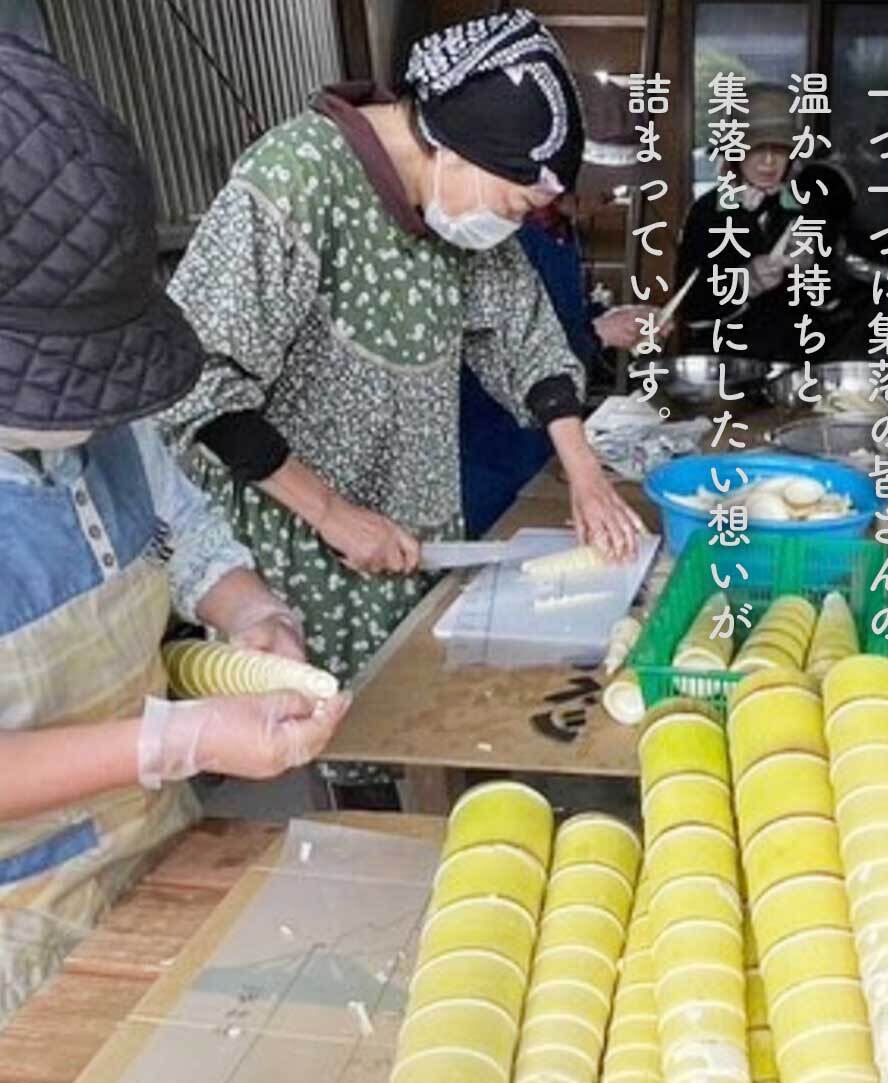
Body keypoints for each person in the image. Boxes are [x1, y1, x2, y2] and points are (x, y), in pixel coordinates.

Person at [155, 11, 644, 807]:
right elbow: (199, 376)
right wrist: (333, 512)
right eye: (517, 205)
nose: (511, 225)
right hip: (302, 549)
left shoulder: (452, 211)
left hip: (414, 531)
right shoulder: (298, 178)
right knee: (329, 745)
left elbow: (526, 338)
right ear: (453, 146)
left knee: (418, 725)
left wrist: (585, 473)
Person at [0, 38, 346, 1017]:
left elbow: (175, 525)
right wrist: (179, 736)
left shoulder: (94, 409)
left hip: (160, 865)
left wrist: (251, 616)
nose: (88, 412)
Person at [459, 76, 661, 535]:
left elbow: (560, 317)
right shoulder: (502, 236)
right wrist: (596, 337)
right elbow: (509, 347)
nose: (610, 197)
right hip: (488, 444)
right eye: (602, 186)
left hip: (546, 438)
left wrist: (603, 320)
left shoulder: (561, 230)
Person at [675, 81, 860, 363]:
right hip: (728, 369)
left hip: (799, 366)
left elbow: (837, 302)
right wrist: (743, 283)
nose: (769, 162)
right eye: (756, 148)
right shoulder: (708, 211)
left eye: (780, 149)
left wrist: (811, 273)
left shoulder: (812, 206)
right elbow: (690, 309)